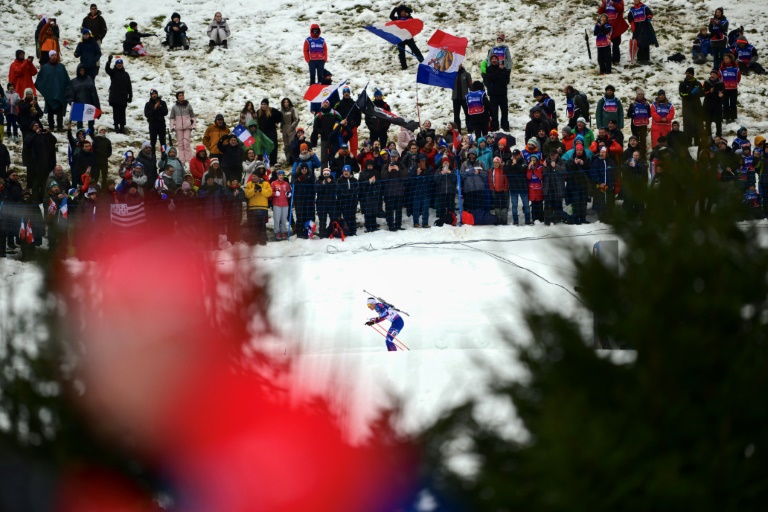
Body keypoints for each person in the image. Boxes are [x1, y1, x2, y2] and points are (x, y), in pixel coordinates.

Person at [34, 51, 69, 132]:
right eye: (52, 55)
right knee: (50, 112)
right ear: (49, 57)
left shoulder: (61, 67)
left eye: (55, 55)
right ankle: (51, 126)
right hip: (49, 94)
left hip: (60, 93)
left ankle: (60, 126)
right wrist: (45, 91)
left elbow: (66, 79)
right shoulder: (45, 68)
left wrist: (66, 89)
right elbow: (39, 82)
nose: (54, 57)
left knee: (60, 111)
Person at [65, 64, 100, 133]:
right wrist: (70, 101)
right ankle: (80, 135)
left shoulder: (89, 80)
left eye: (83, 70)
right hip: (79, 104)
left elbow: (94, 93)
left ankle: (91, 133)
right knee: (80, 122)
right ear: (78, 71)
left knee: (91, 121)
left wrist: (96, 104)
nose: (82, 72)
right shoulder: (73, 81)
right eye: (80, 70)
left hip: (89, 103)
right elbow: (69, 93)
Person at [389, 5, 424, 70]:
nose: (403, 13)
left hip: (408, 38)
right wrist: (396, 8)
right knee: (401, 53)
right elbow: (391, 16)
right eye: (402, 12)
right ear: (399, 13)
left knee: (415, 50)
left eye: (404, 12)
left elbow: (410, 11)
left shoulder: (410, 18)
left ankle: (422, 62)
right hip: (400, 38)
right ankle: (404, 67)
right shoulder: (397, 19)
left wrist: (405, 9)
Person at [482, 55, 510, 131]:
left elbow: (507, 80)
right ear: (490, 61)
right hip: (493, 95)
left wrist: (503, 73)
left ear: (498, 60)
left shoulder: (503, 68)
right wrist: (499, 71)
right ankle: (495, 127)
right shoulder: (489, 69)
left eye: (495, 59)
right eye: (492, 59)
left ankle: (505, 126)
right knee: (494, 112)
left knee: (504, 111)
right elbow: (491, 78)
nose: (494, 60)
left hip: (503, 94)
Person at [104, 55, 132, 133]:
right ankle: (116, 126)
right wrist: (109, 61)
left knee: (122, 112)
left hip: (123, 97)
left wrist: (130, 96)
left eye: (121, 64)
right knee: (116, 112)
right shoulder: (113, 72)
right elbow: (107, 69)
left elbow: (129, 85)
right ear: (116, 65)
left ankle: (122, 126)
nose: (119, 65)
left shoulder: (126, 74)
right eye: (118, 64)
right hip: (115, 97)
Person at [627, 0, 657, 65]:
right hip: (637, 28)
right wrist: (632, 24)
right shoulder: (632, 9)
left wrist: (649, 18)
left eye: (637, 0)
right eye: (635, 0)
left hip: (645, 27)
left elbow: (649, 13)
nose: (636, 1)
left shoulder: (644, 7)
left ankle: (646, 59)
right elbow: (630, 17)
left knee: (645, 42)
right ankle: (640, 58)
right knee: (638, 43)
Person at [678, 68, 703, 147]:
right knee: (687, 125)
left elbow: (702, 93)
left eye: (689, 73)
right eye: (687, 73)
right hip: (687, 107)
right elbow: (682, 94)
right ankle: (688, 142)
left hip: (697, 107)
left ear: (693, 74)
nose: (687, 75)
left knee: (698, 124)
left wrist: (699, 91)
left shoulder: (698, 83)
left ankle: (697, 141)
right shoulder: (683, 84)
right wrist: (690, 93)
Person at [169, 91, 196, 164]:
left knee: (186, 143)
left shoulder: (188, 105)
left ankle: (189, 160)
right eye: (180, 96)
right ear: (177, 97)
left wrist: (193, 125)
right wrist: (172, 126)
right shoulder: (174, 107)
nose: (181, 97)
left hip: (187, 127)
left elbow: (192, 115)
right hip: (178, 128)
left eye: (182, 95)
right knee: (180, 144)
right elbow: (172, 117)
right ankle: (182, 160)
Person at [257, 99, 282, 165]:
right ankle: (264, 160)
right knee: (263, 146)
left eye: (265, 104)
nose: (263, 106)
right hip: (262, 132)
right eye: (262, 104)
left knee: (273, 145)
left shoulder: (272, 110)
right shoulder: (258, 112)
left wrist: (276, 122)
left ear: (267, 105)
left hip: (271, 131)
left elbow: (280, 115)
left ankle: (273, 161)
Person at [627, 87, 650, 157]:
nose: (640, 95)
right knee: (635, 139)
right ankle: (635, 154)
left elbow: (649, 114)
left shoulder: (646, 104)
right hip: (635, 125)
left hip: (643, 124)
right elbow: (629, 114)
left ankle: (643, 155)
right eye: (639, 94)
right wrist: (634, 115)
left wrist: (643, 116)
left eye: (641, 94)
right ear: (637, 95)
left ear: (643, 95)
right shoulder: (633, 104)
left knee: (643, 140)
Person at [718, 52, 741, 123]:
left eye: (727, 58)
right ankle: (726, 117)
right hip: (725, 89)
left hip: (733, 88)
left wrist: (734, 84)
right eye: (724, 58)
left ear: (731, 59)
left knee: (733, 103)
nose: (725, 60)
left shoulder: (735, 68)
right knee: (725, 103)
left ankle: (733, 117)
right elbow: (719, 77)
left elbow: (738, 77)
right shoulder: (722, 68)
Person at [280, 98, 300, 163]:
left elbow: (297, 119)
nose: (286, 103)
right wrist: (281, 127)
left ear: (289, 103)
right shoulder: (282, 111)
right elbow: (281, 120)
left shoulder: (293, 109)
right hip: (284, 129)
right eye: (284, 102)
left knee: (292, 144)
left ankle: (294, 159)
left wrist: (292, 127)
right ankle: (288, 160)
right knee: (286, 146)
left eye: (287, 102)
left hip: (291, 129)